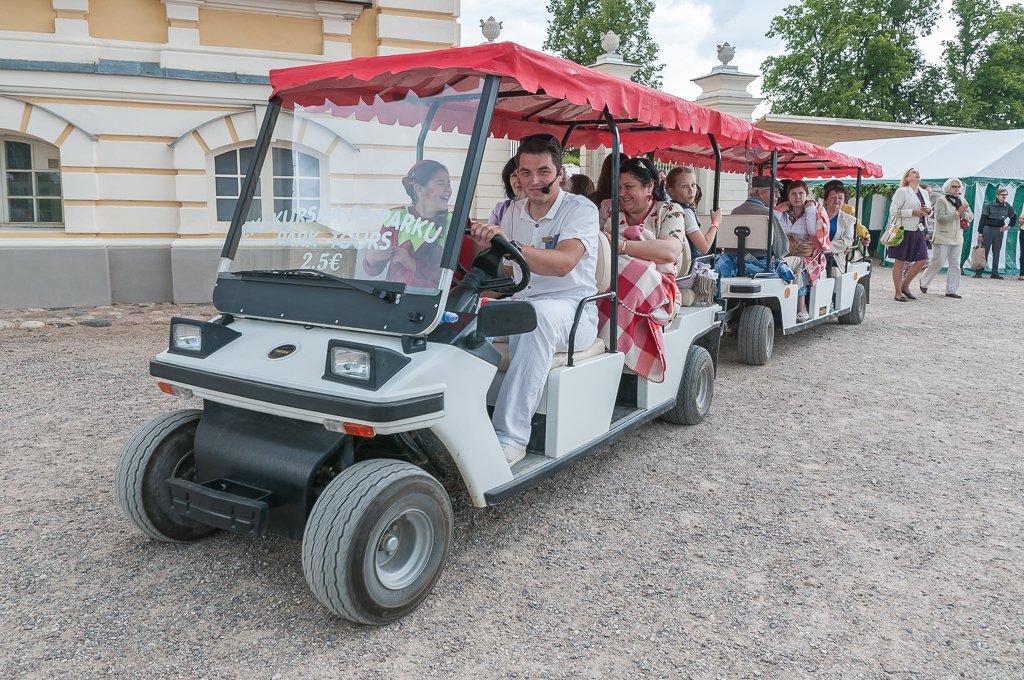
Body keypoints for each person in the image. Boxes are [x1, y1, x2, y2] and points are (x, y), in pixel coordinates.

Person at [468, 134, 599, 466]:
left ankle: (511, 437)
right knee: (458, 315)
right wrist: (482, 242)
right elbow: (497, 267)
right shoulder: (511, 210)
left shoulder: (579, 208)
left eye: (542, 172)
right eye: (525, 173)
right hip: (520, 302)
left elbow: (564, 263)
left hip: (571, 310)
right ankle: (458, 419)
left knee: (533, 318)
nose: (533, 181)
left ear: (559, 174)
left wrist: (508, 242)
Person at [599, 156, 685, 382]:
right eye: (619, 187)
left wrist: (622, 246)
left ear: (649, 187)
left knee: (636, 273)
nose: (622, 193)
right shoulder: (609, 209)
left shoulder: (670, 210)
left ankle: (611, 351)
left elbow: (670, 251)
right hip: (611, 282)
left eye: (629, 187)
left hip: (658, 288)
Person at [362, 159, 451, 289]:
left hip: (430, 303)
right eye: (440, 184)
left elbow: (456, 277)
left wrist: (413, 264)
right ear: (419, 189)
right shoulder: (396, 217)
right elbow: (374, 270)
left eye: (448, 184)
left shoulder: (454, 222)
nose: (448, 190)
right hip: (393, 300)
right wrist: (371, 259)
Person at [775, 180, 830, 322]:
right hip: (785, 253)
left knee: (796, 264)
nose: (797, 197)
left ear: (807, 195)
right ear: (788, 196)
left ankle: (801, 307)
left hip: (808, 257)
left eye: (801, 193)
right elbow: (772, 230)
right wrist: (778, 210)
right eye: (793, 193)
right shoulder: (784, 214)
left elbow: (813, 231)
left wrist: (810, 209)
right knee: (790, 263)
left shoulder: (814, 212)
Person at [920, 177, 972, 298]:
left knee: (955, 264)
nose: (957, 189)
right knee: (938, 262)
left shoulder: (962, 200)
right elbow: (941, 219)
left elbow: (970, 216)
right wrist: (958, 213)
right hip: (943, 236)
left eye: (958, 187)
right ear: (947, 187)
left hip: (957, 237)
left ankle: (951, 290)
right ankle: (924, 281)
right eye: (954, 186)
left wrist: (963, 213)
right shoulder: (941, 201)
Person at [887, 168, 932, 301]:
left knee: (923, 259)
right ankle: (897, 292)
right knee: (900, 261)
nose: (917, 173)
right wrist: (912, 212)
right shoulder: (902, 191)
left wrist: (928, 211)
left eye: (918, 172)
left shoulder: (924, 192)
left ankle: (905, 285)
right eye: (913, 172)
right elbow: (893, 211)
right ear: (907, 178)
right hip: (903, 230)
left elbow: (928, 212)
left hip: (919, 230)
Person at [664, 166, 719, 257]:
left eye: (693, 185)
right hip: (689, 265)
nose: (691, 190)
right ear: (671, 191)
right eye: (684, 186)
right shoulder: (685, 212)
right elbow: (704, 247)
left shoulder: (669, 207)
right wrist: (715, 223)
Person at [732, 176, 788, 261]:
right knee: (799, 262)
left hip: (734, 261)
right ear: (761, 193)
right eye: (775, 191)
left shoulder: (735, 211)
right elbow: (781, 249)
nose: (779, 195)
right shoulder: (768, 213)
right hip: (761, 264)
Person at [976, 186, 1018, 279]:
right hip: (988, 229)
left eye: (1005, 195)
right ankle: (979, 272)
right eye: (1002, 195)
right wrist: (980, 232)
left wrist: (1009, 226)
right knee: (984, 251)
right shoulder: (989, 205)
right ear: (997, 195)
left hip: (999, 230)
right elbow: (982, 219)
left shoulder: (1007, 206)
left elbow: (1014, 217)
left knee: (996, 251)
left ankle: (994, 272)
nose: (1004, 196)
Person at [821, 182, 860, 274]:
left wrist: (825, 248)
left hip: (834, 257)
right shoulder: (816, 215)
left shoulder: (849, 219)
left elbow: (848, 239)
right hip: (813, 253)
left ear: (844, 201)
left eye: (840, 198)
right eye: (833, 197)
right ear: (826, 200)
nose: (837, 200)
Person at [488, 157, 520, 226]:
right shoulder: (501, 209)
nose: (518, 180)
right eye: (514, 175)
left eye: (523, 174)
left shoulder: (541, 208)